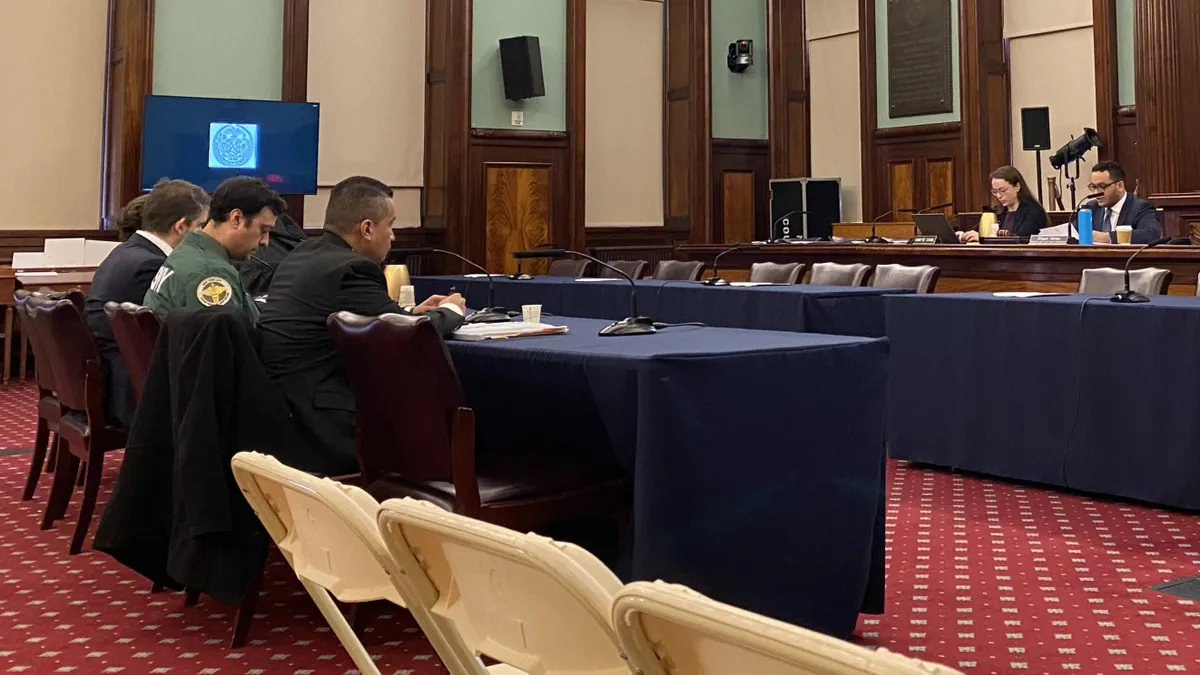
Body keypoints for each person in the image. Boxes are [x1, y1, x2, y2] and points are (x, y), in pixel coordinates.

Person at [258, 176, 466, 474]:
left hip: (285, 414)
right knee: (449, 418)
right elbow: (405, 337)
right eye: (390, 225)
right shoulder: (353, 268)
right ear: (367, 228)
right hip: (325, 425)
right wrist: (450, 312)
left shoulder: (301, 256)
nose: (393, 236)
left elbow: (374, 317)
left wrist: (408, 311)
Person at [85, 179, 210, 427]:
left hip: (107, 376)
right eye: (200, 226)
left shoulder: (126, 252)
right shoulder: (151, 265)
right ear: (181, 226)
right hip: (128, 389)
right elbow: (162, 337)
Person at [143, 176, 286, 321]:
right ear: (236, 218)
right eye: (263, 229)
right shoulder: (211, 271)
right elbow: (221, 339)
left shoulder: (186, 252)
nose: (265, 241)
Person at [959, 166, 1048, 244]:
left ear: (1017, 186)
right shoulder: (997, 212)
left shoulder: (1034, 212)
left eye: (1003, 190)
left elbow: (1020, 240)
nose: (998, 196)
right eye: (995, 192)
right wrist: (964, 235)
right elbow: (977, 230)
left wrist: (982, 239)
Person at [1084, 161, 1161, 244]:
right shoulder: (1092, 207)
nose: (1096, 193)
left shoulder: (1140, 207)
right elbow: (1074, 232)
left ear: (1120, 186)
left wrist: (1108, 237)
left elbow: (1151, 234)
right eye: (1093, 187)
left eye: (1102, 186)